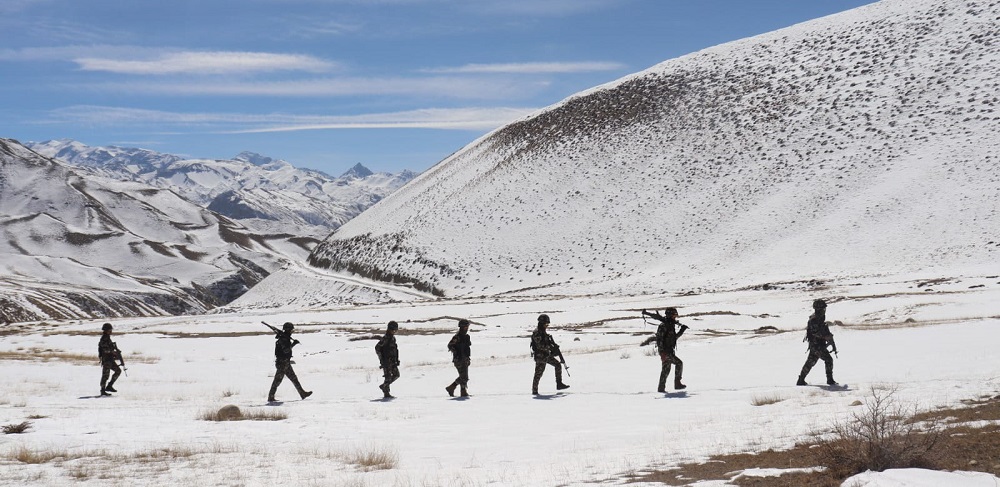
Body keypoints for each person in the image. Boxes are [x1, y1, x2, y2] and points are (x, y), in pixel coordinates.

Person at [640, 307, 688, 392]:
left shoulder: (670, 325)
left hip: (669, 350)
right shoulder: (663, 326)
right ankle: (677, 383)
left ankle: (661, 388)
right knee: (679, 363)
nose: (675, 318)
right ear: (670, 315)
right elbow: (659, 340)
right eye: (674, 316)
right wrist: (662, 353)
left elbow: (673, 339)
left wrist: (681, 331)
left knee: (666, 370)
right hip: (665, 351)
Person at [267, 322, 312, 402]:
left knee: (294, 379)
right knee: (277, 380)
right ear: (288, 330)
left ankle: (302, 393)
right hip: (282, 363)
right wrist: (293, 344)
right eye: (291, 329)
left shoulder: (285, 337)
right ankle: (270, 397)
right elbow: (286, 350)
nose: (292, 331)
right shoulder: (283, 339)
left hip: (286, 363)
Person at [798, 299, 838, 386]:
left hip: (818, 345)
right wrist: (825, 337)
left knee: (810, 363)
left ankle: (801, 380)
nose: (824, 310)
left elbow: (823, 329)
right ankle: (830, 380)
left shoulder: (821, 318)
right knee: (828, 359)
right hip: (816, 345)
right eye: (823, 309)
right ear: (819, 309)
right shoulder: (814, 320)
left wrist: (829, 335)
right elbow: (815, 333)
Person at [531, 314, 570, 395]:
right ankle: (534, 391)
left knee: (558, 365)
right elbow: (540, 346)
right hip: (540, 356)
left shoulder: (543, 332)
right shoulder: (537, 332)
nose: (546, 326)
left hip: (545, 355)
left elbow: (546, 343)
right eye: (545, 324)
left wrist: (553, 347)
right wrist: (550, 347)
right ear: (541, 323)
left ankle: (559, 384)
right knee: (538, 374)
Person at [445, 319, 472, 397]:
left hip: (465, 359)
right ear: (462, 327)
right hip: (458, 359)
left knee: (464, 377)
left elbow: (467, 348)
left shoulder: (467, 337)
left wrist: (467, 358)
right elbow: (450, 345)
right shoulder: (457, 337)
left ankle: (462, 391)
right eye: (466, 326)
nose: (467, 328)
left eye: (467, 326)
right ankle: (451, 387)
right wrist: (456, 352)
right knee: (464, 377)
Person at [375, 321, 400, 398]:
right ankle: (386, 393)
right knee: (388, 377)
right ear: (390, 329)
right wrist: (381, 359)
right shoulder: (385, 338)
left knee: (396, 375)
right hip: (386, 361)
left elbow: (395, 350)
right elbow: (377, 348)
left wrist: (397, 359)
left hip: (393, 361)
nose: (395, 331)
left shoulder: (392, 338)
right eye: (394, 330)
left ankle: (384, 386)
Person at [98, 323, 124, 396]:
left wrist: (115, 352)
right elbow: (105, 350)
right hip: (106, 360)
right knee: (105, 375)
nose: (111, 331)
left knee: (118, 371)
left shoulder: (108, 338)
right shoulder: (103, 339)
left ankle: (109, 386)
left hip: (110, 360)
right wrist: (113, 352)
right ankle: (102, 390)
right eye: (109, 330)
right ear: (106, 330)